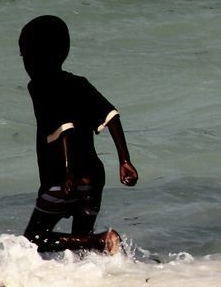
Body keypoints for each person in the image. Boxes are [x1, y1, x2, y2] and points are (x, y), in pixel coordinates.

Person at [19, 15, 138, 255]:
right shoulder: (79, 83)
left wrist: (69, 173)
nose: (26, 63)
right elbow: (112, 116)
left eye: (26, 55)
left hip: (62, 180)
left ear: (34, 57)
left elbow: (66, 128)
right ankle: (96, 264)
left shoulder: (39, 87)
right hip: (94, 178)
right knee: (81, 244)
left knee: (33, 241)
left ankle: (101, 241)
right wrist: (125, 161)